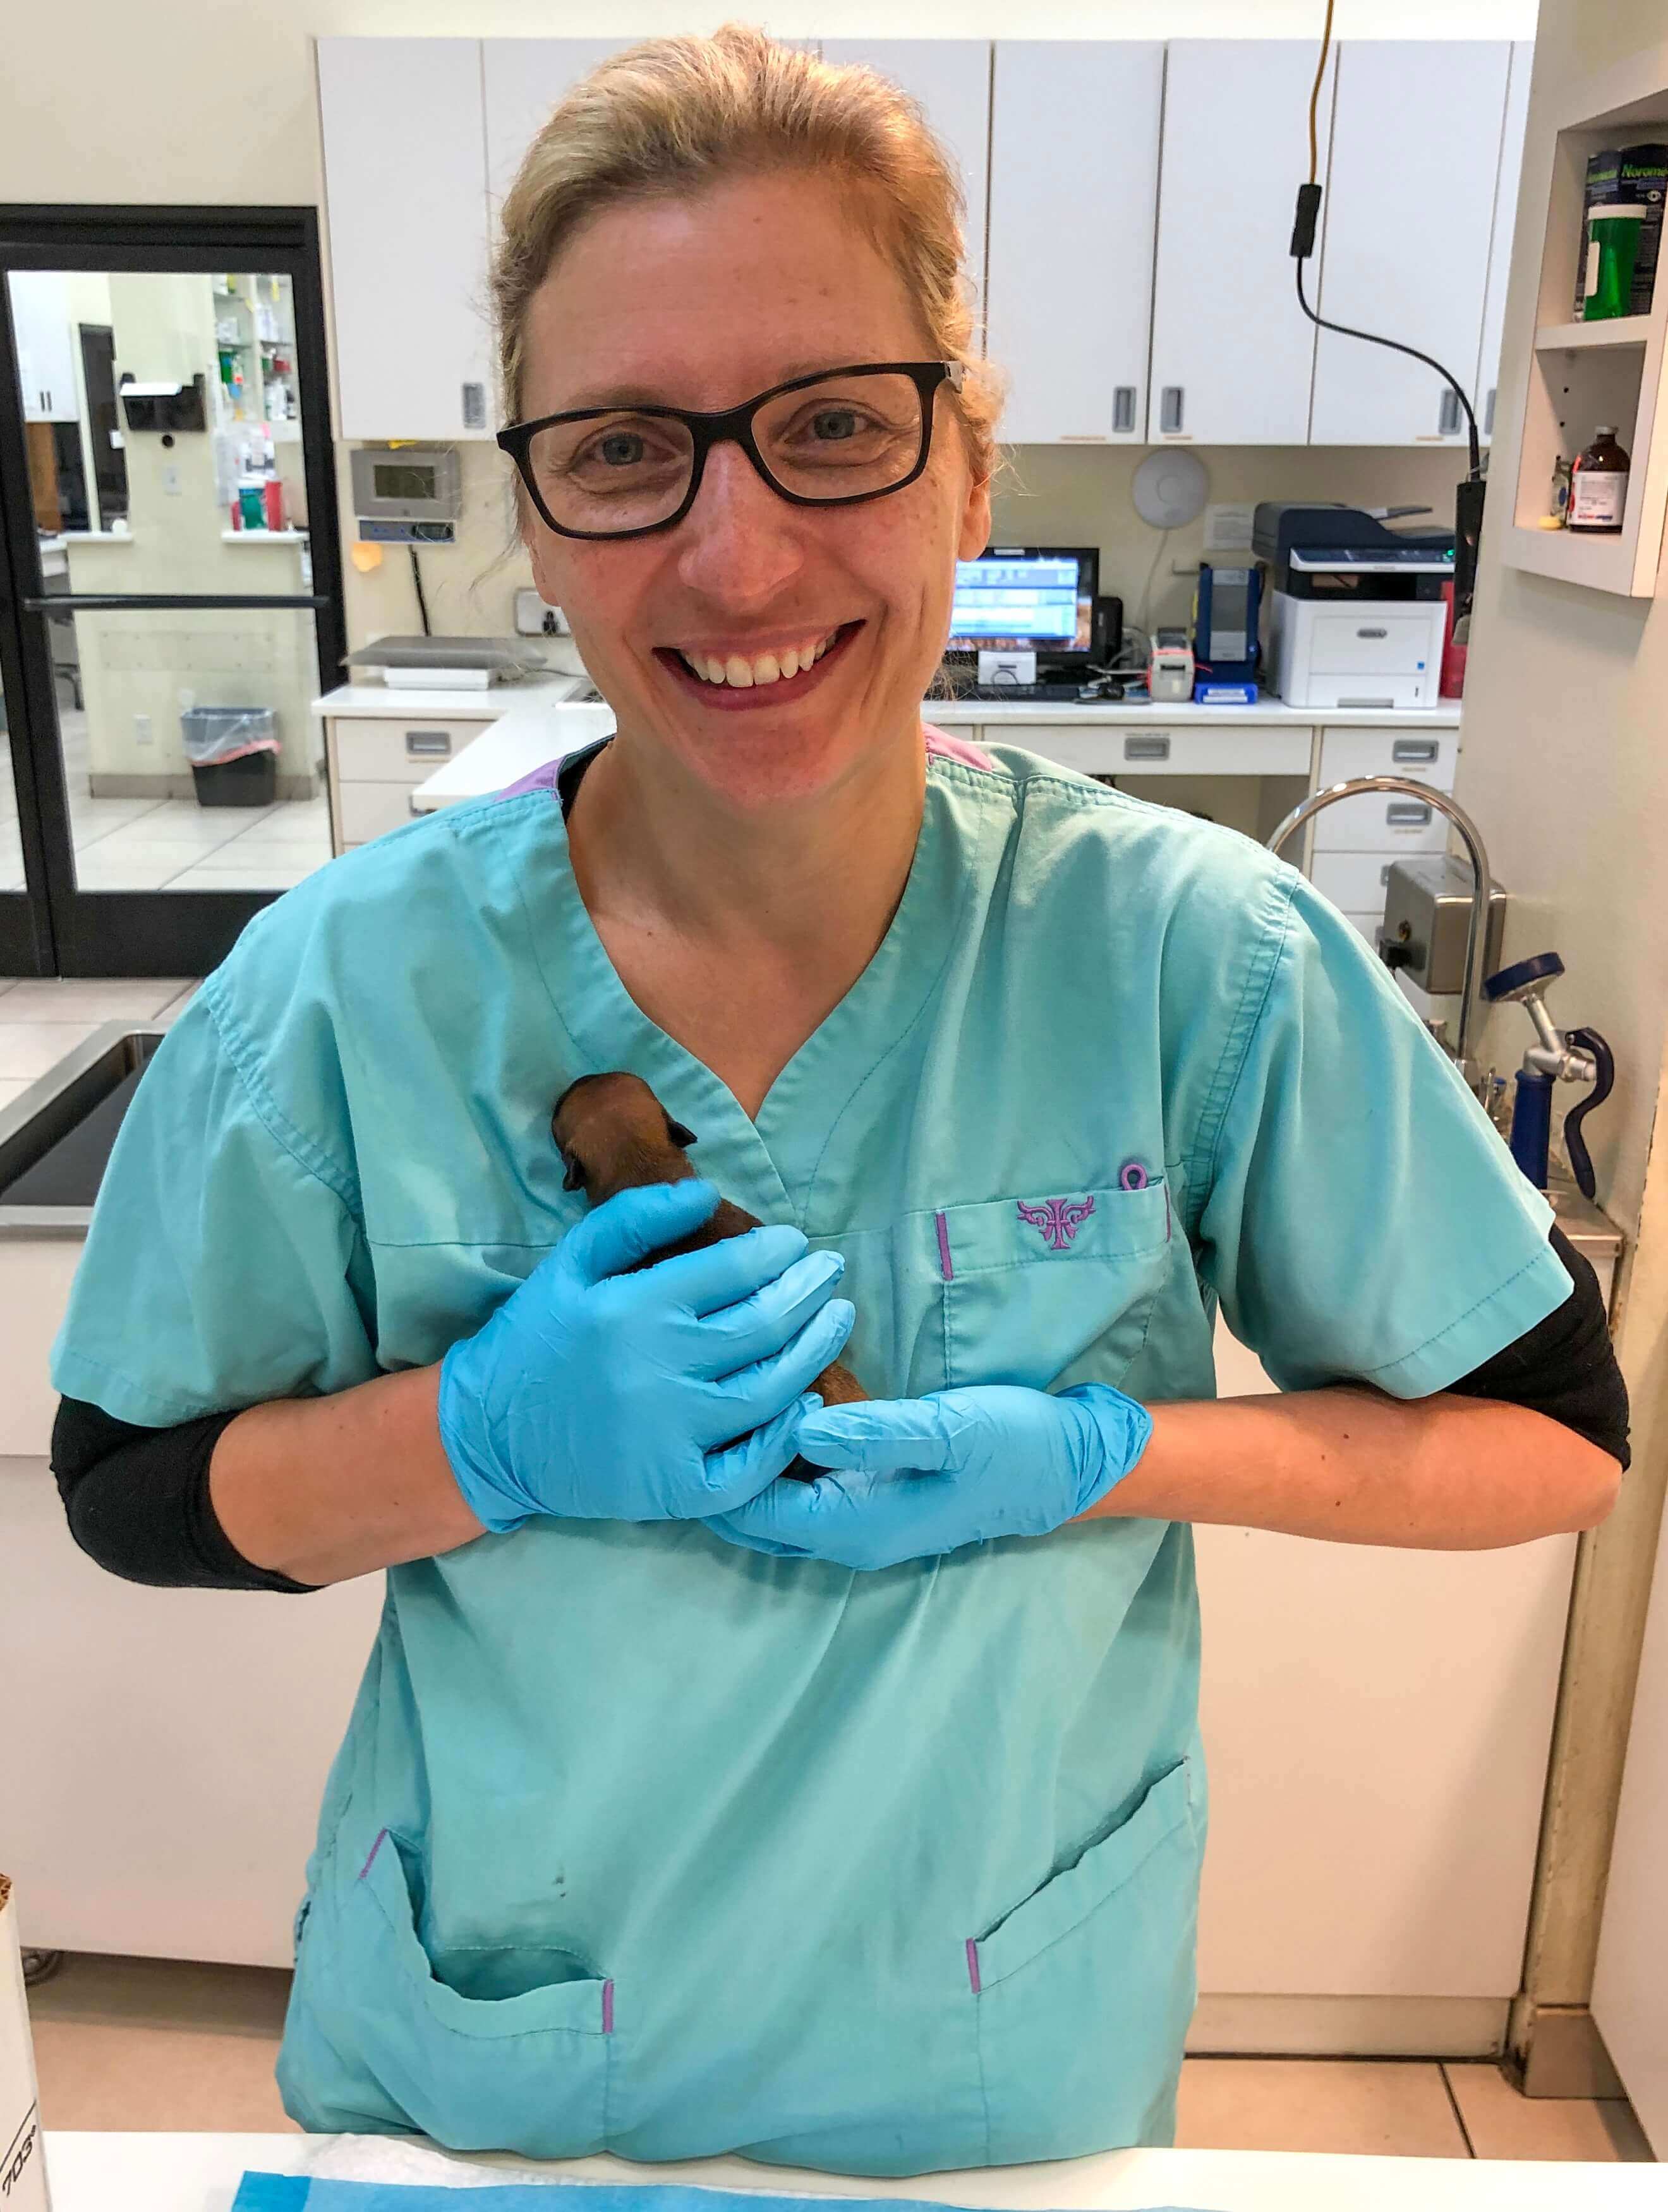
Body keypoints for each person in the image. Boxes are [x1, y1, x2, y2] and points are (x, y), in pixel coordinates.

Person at [51, 25, 1627, 2178]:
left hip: (994, 2063)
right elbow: (135, 1491)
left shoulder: (1194, 959)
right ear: (538, 512)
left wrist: (1103, 1457)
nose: (739, 560)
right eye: (625, 452)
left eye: (832, 430)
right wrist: (478, 1432)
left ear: (971, 469)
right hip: (507, 2073)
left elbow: (1549, 1447)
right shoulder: (342, 992)